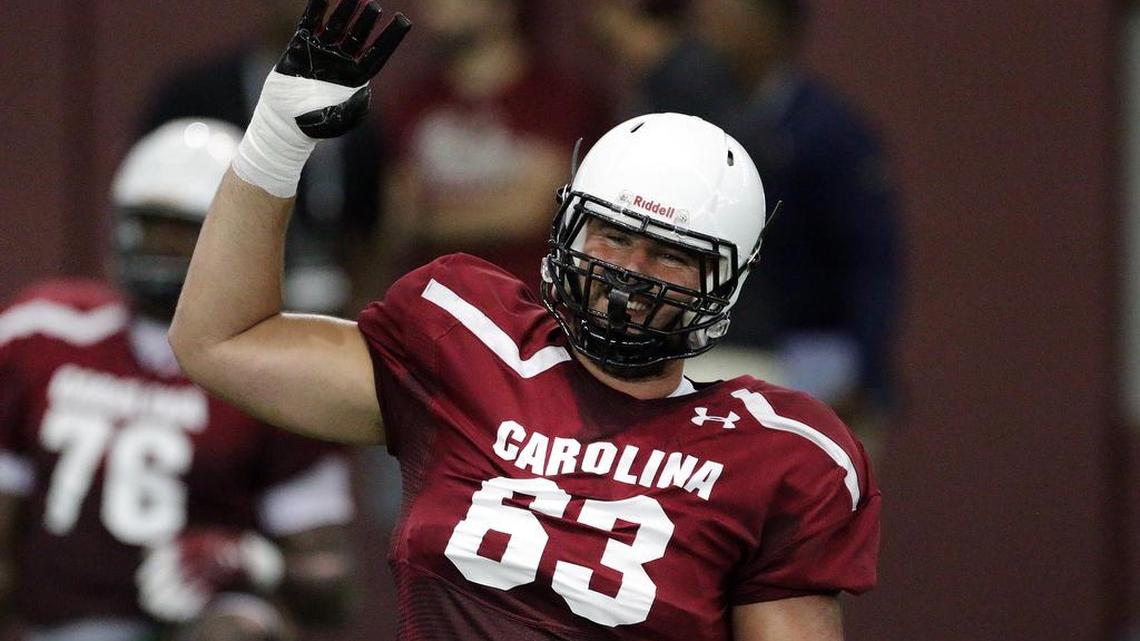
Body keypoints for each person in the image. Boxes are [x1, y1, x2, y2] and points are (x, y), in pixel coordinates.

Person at [169, 2, 880, 639]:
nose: (630, 271)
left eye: (670, 253)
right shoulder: (468, 344)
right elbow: (220, 339)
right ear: (568, 225)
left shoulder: (777, 452)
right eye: (612, 234)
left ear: (725, 279)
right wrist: (274, 144)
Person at [0, 119, 356, 641]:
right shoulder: (41, 332)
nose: (159, 248)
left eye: (183, 231)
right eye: (148, 226)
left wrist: (252, 559)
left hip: (200, 625)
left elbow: (334, 588)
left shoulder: (279, 368)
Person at [596, 0, 902, 456]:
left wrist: (868, 373)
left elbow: (872, 258)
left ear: (772, 26)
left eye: (726, 15)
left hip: (814, 349)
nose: (707, 29)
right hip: (721, 341)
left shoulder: (825, 128)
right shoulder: (693, 107)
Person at [142, 0, 388, 315]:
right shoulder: (195, 95)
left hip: (330, 308)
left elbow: (371, 227)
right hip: (216, 302)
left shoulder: (355, 106)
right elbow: (153, 207)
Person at [380, 0, 608, 292]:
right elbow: (400, 218)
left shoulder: (560, 97)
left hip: (531, 310)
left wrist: (434, 216)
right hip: (433, 307)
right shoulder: (414, 101)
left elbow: (538, 209)